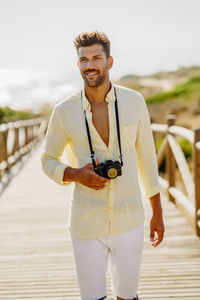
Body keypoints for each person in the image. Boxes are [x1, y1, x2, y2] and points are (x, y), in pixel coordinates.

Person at [41, 31, 165, 300]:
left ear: (109, 62)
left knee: (128, 297)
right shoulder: (63, 111)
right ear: (78, 64)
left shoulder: (135, 102)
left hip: (130, 217)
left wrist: (157, 212)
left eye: (96, 57)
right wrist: (75, 174)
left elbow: (147, 158)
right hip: (86, 222)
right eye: (83, 59)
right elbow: (47, 160)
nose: (90, 65)